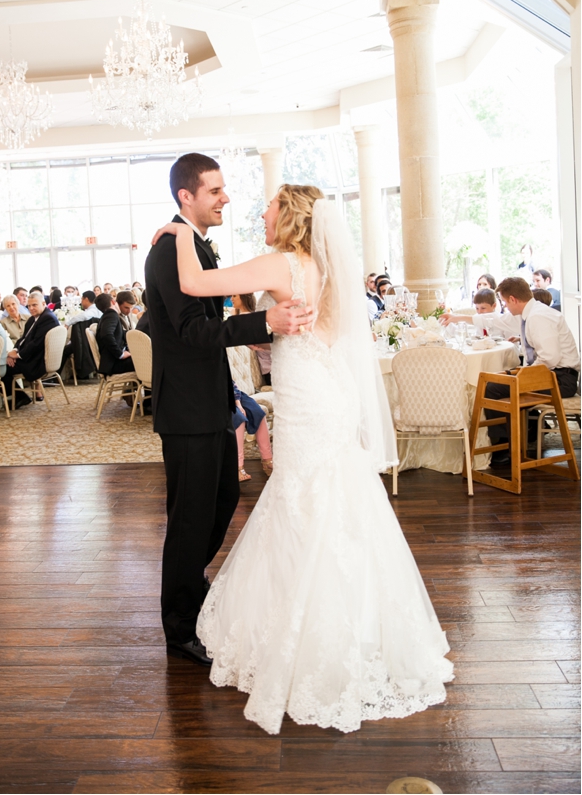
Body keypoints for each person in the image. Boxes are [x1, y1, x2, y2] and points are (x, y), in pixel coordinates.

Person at [154, 178, 453, 735]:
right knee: (337, 501)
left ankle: (310, 633)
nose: (258, 211)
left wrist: (175, 232)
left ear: (287, 216)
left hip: (309, 403)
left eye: (267, 206)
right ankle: (361, 627)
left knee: (305, 503)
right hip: (328, 396)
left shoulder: (281, 264)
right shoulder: (329, 268)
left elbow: (194, 281)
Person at [146, 153, 311, 670]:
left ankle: (194, 595)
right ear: (186, 197)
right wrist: (267, 321)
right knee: (191, 519)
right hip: (188, 410)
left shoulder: (191, 245)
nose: (226, 199)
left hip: (212, 403)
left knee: (217, 507)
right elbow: (194, 332)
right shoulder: (169, 251)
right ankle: (180, 627)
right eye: (215, 191)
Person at [442, 277, 580, 466]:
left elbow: (550, 357)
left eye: (505, 302)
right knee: (497, 381)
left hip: (560, 379)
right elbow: (495, 319)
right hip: (552, 374)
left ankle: (504, 447)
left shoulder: (538, 317)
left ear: (513, 299)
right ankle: (517, 437)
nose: (505, 307)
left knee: (491, 388)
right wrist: (457, 318)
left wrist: (522, 374)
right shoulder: (530, 313)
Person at [1, 292, 60, 405]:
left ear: (43, 303)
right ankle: (20, 397)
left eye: (34, 305)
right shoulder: (33, 319)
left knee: (1, 368)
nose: (31, 308)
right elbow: (23, 339)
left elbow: (36, 344)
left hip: (37, 361)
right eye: (29, 306)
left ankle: (20, 397)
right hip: (32, 357)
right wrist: (14, 350)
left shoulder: (47, 319)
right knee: (4, 362)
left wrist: (18, 356)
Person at [94, 292, 133, 375]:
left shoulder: (106, 315)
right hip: (114, 363)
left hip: (113, 362)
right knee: (146, 360)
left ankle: (132, 388)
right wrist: (120, 354)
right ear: (113, 302)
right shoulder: (111, 315)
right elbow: (107, 335)